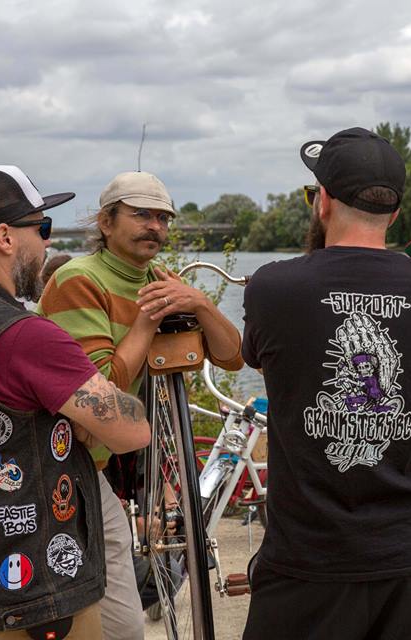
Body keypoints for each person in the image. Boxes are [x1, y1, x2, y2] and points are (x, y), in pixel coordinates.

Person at [241, 127, 411, 639]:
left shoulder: (274, 286)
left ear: (322, 202)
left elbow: (259, 361)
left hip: (309, 552)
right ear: (395, 213)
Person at [0, 165, 152, 640]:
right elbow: (131, 432)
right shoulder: (25, 335)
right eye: (41, 228)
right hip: (39, 589)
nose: (47, 243)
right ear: (5, 236)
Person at [37, 170, 243, 639]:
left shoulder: (157, 278)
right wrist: (149, 321)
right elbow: (102, 387)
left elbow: (232, 357)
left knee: (119, 621)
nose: (155, 227)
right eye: (141, 215)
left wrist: (201, 305)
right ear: (106, 223)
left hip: (117, 456)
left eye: (163, 218)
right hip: (70, 465)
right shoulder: (77, 280)